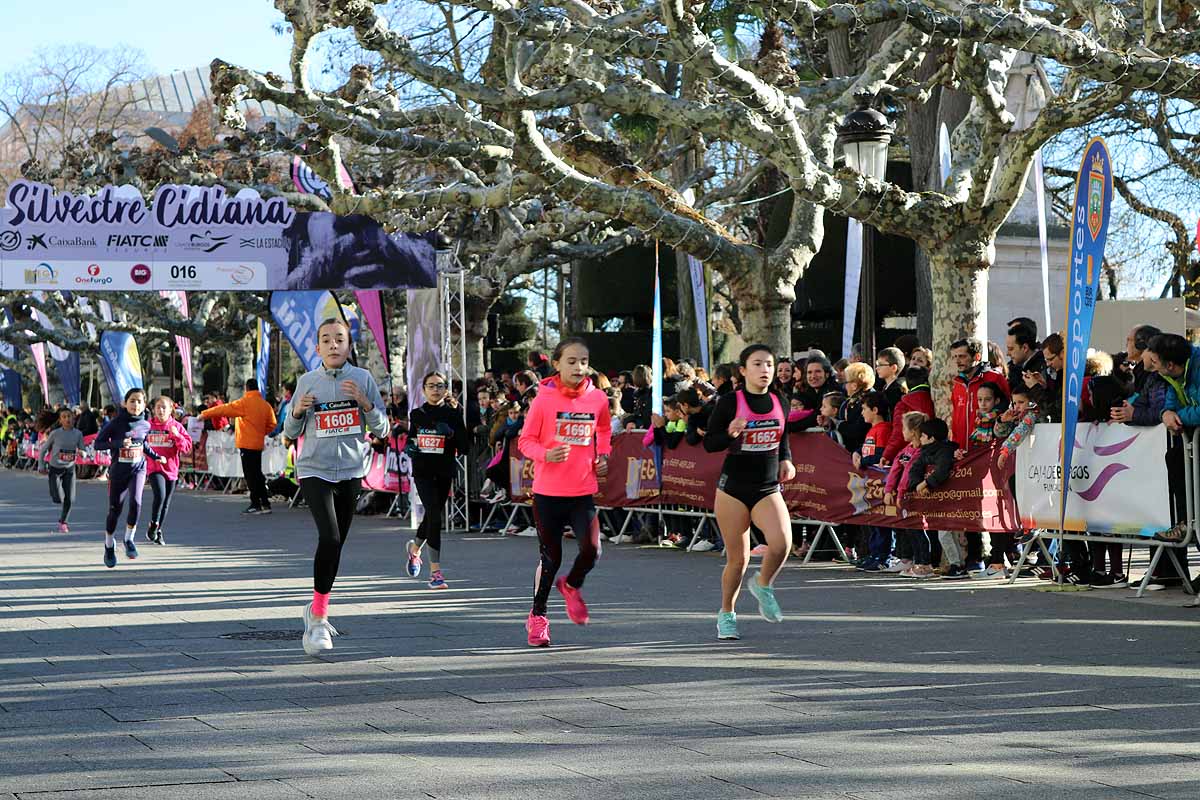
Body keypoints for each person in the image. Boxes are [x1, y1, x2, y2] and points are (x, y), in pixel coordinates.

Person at [285, 318, 388, 657]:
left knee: (337, 544)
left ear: (348, 346)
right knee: (328, 537)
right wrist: (298, 410)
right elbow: (289, 430)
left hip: (351, 470)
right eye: (326, 340)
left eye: (339, 340)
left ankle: (315, 609)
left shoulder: (363, 379)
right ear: (317, 348)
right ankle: (318, 617)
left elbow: (383, 429)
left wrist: (365, 403)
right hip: (314, 468)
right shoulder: (307, 381)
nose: (333, 345)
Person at [517, 337, 612, 647]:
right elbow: (525, 441)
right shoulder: (543, 400)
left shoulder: (597, 398)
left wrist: (604, 456)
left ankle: (571, 586)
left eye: (583, 361)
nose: (578, 367)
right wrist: (546, 454)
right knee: (551, 559)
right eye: (571, 361)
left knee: (592, 550)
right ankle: (538, 617)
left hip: (582, 490)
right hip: (548, 493)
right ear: (556, 364)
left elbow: (603, 430)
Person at [703, 344, 796, 641]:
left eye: (769, 364)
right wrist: (730, 432)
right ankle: (726, 614)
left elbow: (783, 436)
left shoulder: (780, 400)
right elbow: (710, 443)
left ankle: (763, 585)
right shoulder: (730, 402)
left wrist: (786, 459)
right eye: (757, 364)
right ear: (743, 371)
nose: (765, 369)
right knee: (738, 560)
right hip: (733, 490)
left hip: (767, 486)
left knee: (782, 544)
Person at [405, 371, 470, 590]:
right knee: (434, 513)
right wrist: (410, 446)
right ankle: (435, 573)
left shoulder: (453, 413)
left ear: (445, 389)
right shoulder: (417, 414)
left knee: (433, 515)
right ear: (423, 390)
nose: (435, 390)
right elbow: (411, 439)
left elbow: (465, 447)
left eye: (440, 386)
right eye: (431, 386)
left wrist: (451, 434)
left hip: (444, 471)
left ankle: (415, 548)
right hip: (423, 471)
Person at [94, 388, 167, 568]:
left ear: (144, 405)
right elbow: (98, 444)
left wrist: (156, 456)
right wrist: (118, 443)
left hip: (138, 469)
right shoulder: (115, 423)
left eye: (139, 401)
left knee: (136, 502)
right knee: (115, 510)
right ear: (125, 403)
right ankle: (109, 545)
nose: (136, 405)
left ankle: (129, 539)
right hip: (119, 472)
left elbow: (143, 445)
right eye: (132, 401)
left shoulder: (145, 424)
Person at [200, 379, 278, 515]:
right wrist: (261, 432)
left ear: (246, 389)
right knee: (258, 474)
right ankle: (265, 503)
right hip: (258, 443)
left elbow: (223, 409)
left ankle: (255, 504)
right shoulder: (265, 405)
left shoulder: (244, 403)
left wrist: (205, 414)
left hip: (246, 443)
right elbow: (272, 424)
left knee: (250, 475)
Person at [883, 411, 932, 578]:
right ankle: (907, 560)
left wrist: (901, 493)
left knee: (917, 530)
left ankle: (924, 563)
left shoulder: (922, 451)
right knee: (904, 529)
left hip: (914, 496)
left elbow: (908, 475)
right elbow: (896, 469)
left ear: (913, 431)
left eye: (904, 428)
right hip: (903, 497)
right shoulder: (906, 449)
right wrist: (889, 490)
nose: (901, 432)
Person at [144, 396, 193, 546]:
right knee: (160, 495)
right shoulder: (147, 426)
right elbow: (138, 441)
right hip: (154, 467)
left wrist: (177, 436)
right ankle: (153, 524)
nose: (161, 410)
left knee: (165, 502)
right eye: (158, 407)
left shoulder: (176, 426)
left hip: (171, 469)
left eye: (164, 407)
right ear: (153, 409)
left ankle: (158, 529)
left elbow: (187, 447)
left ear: (171, 409)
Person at [37, 408, 84, 533]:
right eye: (64, 417)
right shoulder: (55, 433)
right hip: (55, 469)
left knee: (70, 498)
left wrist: (83, 453)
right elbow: (43, 450)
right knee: (58, 498)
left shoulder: (78, 434)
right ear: (60, 420)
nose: (67, 419)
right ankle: (55, 493)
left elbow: (82, 448)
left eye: (69, 416)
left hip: (69, 468)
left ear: (73, 418)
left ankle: (63, 522)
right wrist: (41, 465)